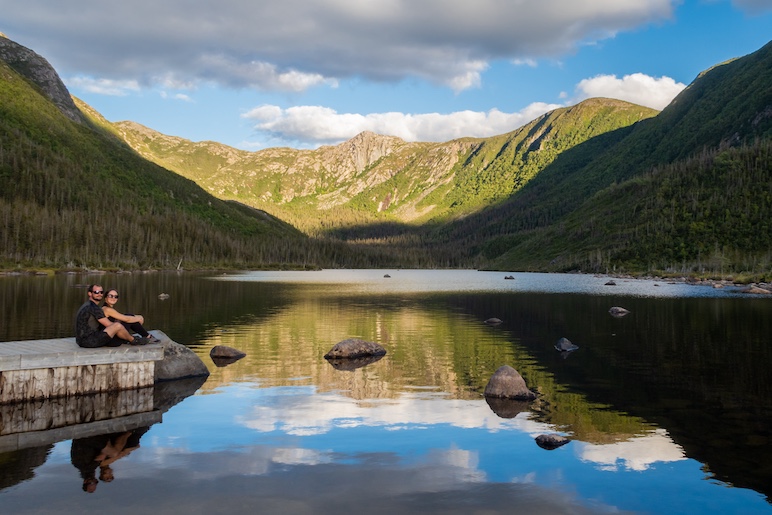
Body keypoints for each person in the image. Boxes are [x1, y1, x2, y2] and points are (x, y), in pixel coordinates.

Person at [74, 284, 148, 347]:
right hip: (88, 341)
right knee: (117, 325)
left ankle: (133, 338)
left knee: (123, 321)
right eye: (96, 292)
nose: (99, 294)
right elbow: (110, 325)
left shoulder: (87, 305)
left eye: (101, 292)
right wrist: (126, 326)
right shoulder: (94, 308)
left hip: (82, 340)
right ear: (90, 293)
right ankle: (134, 340)